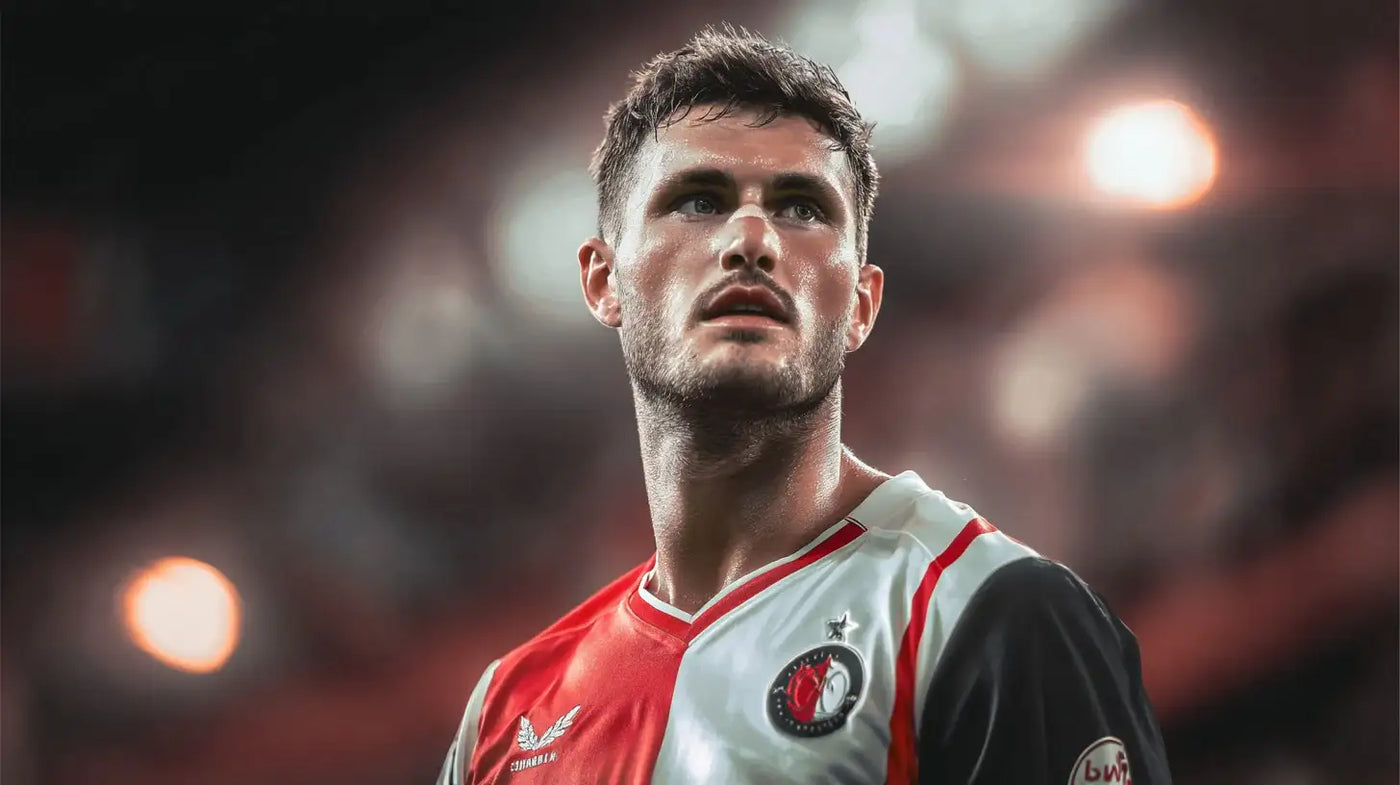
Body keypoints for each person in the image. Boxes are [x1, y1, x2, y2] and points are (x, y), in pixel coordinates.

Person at [438, 24, 1171, 785]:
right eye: (697, 199)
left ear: (861, 302)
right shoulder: (505, 712)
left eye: (801, 208)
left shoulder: (991, 611)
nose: (751, 237)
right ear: (602, 280)